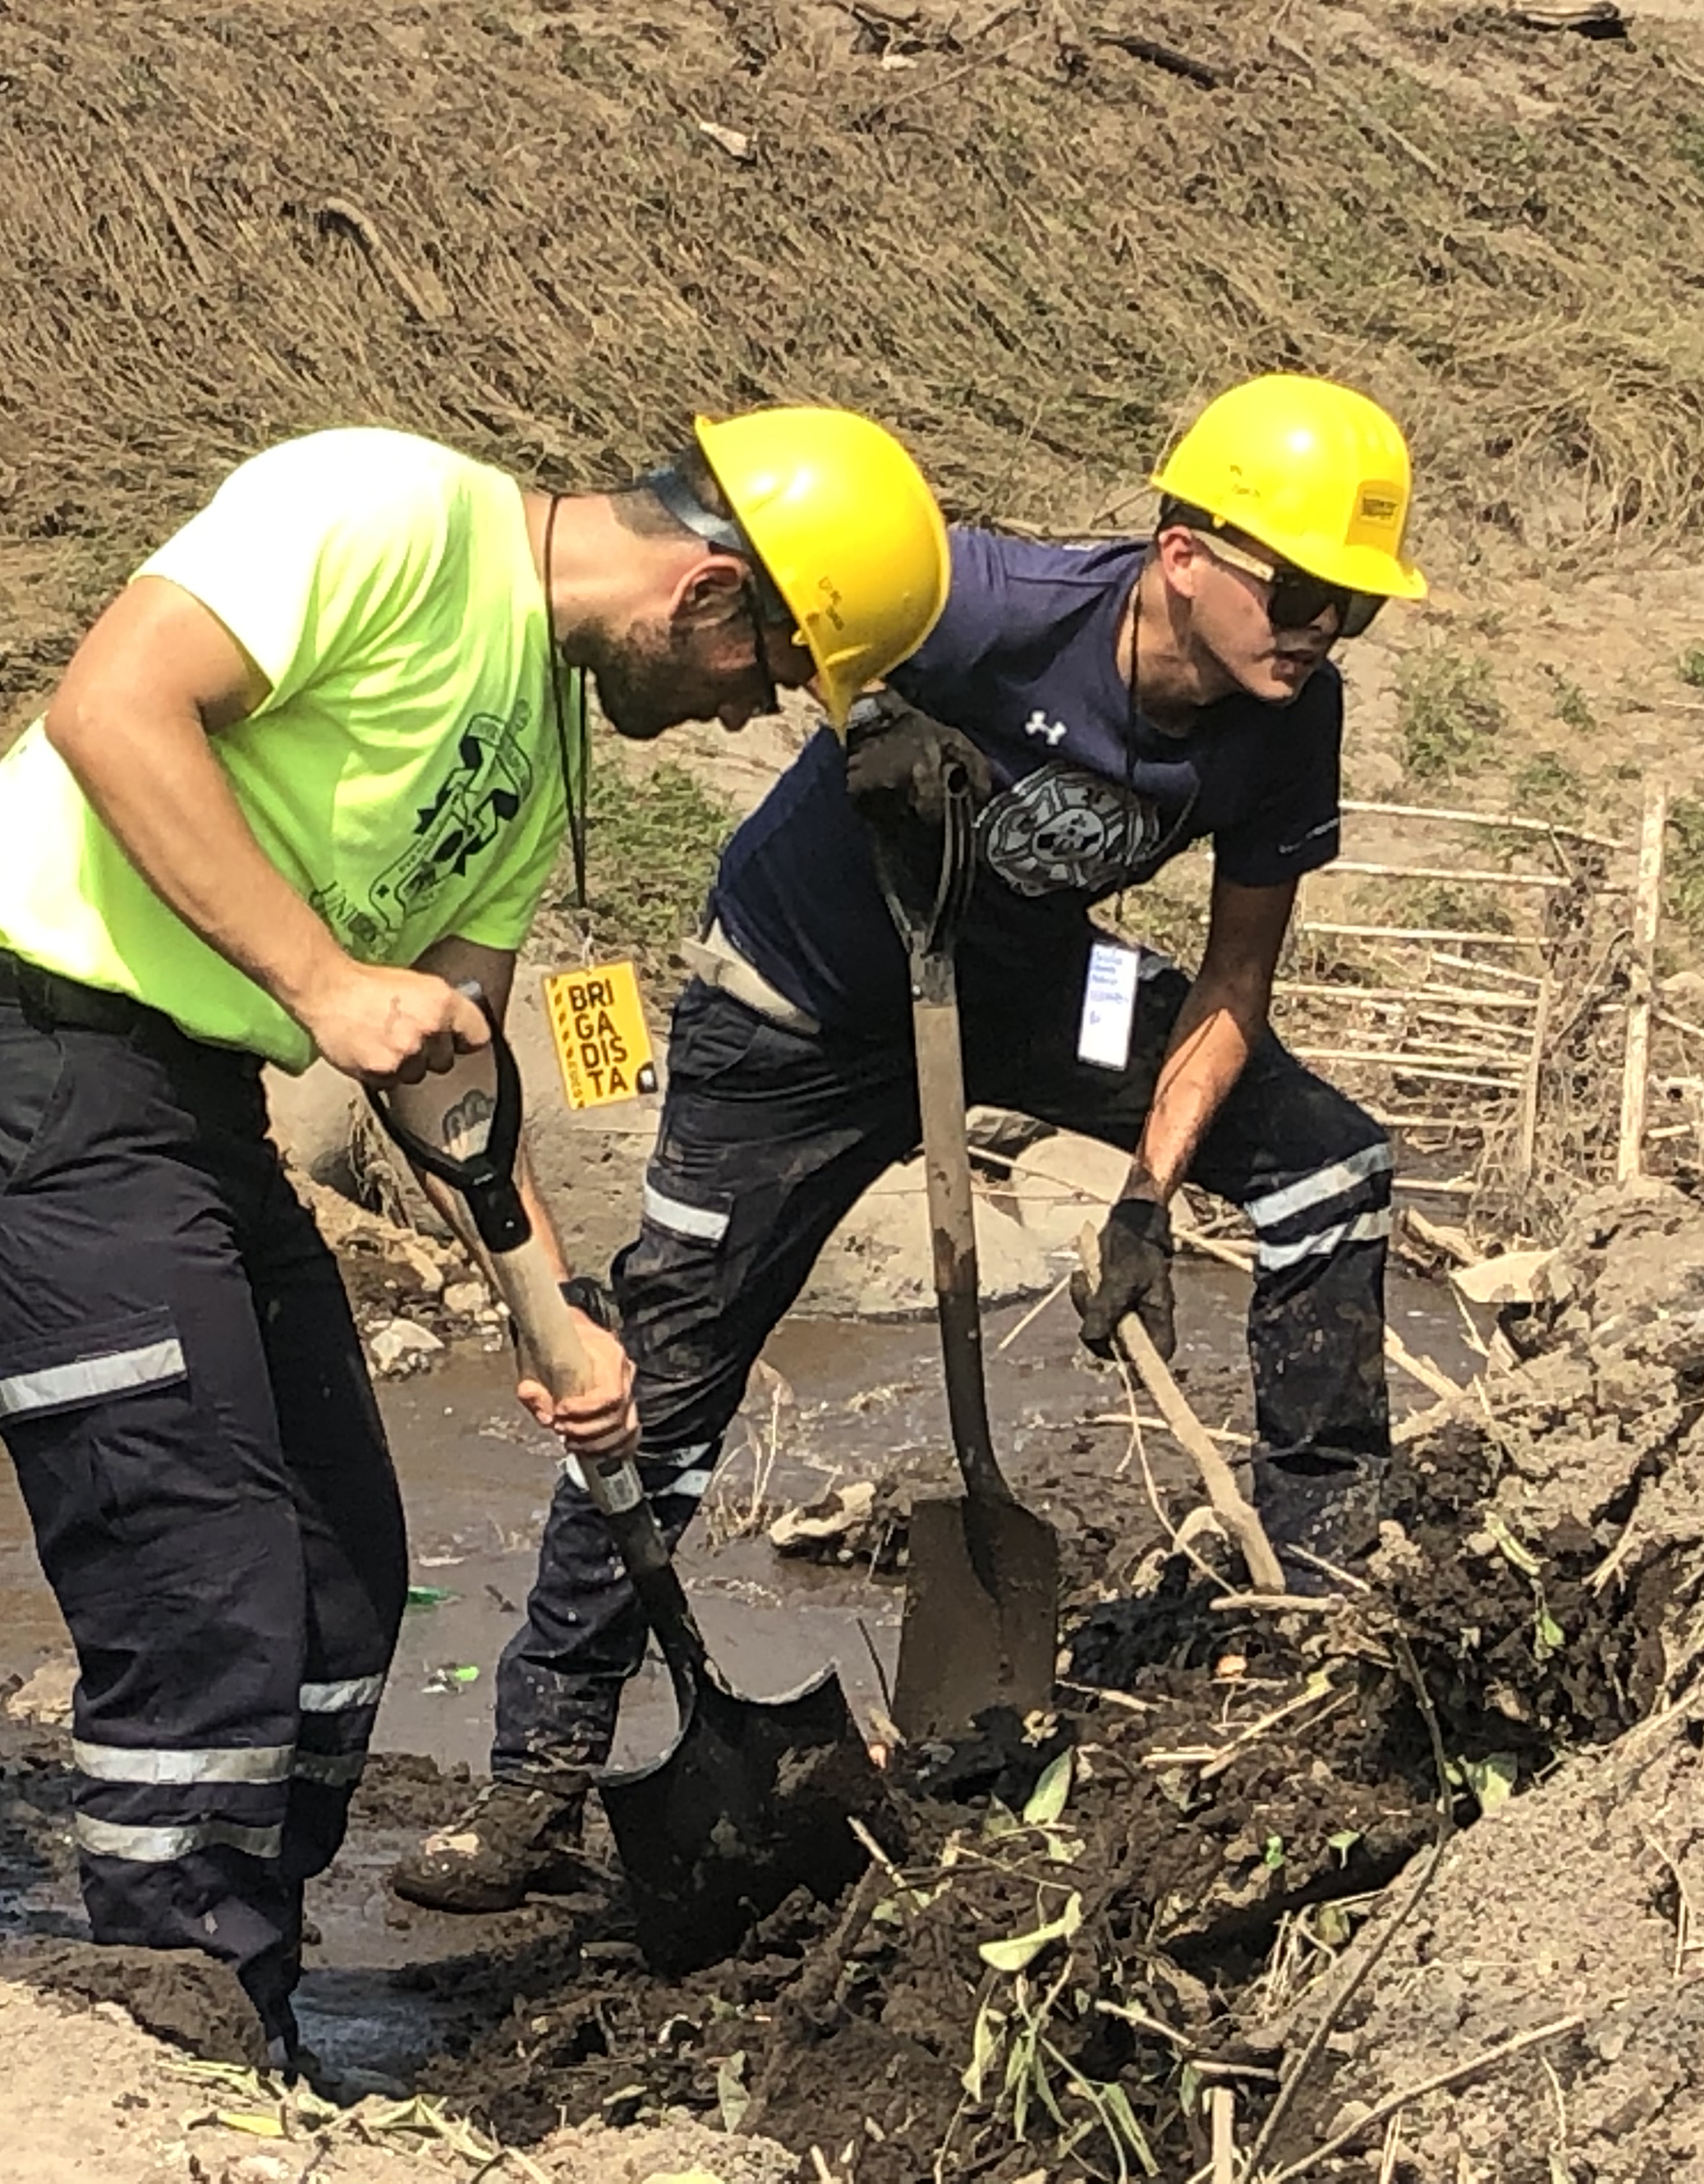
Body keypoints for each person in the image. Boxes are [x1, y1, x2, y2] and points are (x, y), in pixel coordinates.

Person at [0, 409, 949, 2066]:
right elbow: (113, 706)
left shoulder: (535, 753)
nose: (752, 708)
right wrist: (322, 980)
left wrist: (548, 1308)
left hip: (184, 1109)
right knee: (207, 1595)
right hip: (23, 1071)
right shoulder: (386, 509)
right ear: (713, 590)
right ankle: (169, 2070)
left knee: (341, 1580)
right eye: (772, 669)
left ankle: (238, 2012)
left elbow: (452, 1070)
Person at [392, 372, 1428, 1915]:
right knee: (663, 1383)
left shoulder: (1293, 725)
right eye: (1302, 593)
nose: (1319, 634)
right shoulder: (985, 605)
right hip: (795, 1007)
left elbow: (1230, 987)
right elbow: (793, 623)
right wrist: (866, 726)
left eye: (1354, 611)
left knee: (1332, 1165)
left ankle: (1324, 1586)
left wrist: (1146, 1198)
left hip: (1021, 988)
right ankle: (537, 1780)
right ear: (1186, 550)